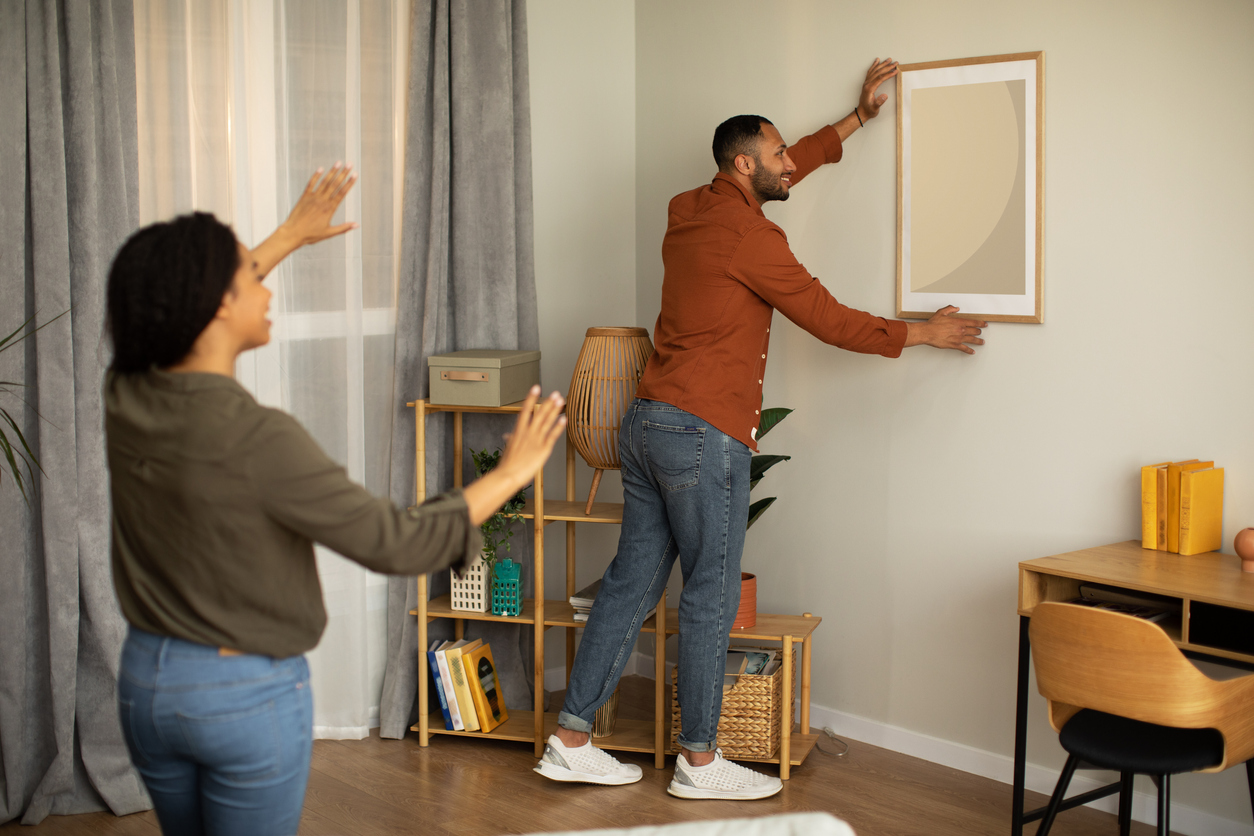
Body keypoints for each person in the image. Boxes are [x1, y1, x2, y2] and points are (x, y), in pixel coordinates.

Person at [534, 59, 986, 800]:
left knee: (631, 584)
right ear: (745, 165)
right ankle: (700, 762)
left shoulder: (688, 209)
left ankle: (571, 737)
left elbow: (787, 166)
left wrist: (854, 122)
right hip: (701, 434)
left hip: (646, 425)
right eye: (775, 156)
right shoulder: (754, 242)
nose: (787, 165)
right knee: (709, 592)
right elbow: (830, 318)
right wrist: (922, 335)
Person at [105, 163, 566, 836]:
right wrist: (510, 472)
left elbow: (176, 306)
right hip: (241, 698)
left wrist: (289, 235)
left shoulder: (128, 396)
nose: (265, 287)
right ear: (217, 304)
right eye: (249, 275)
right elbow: (396, 542)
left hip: (148, 682)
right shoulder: (260, 439)